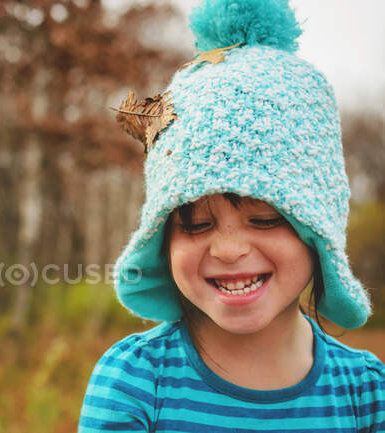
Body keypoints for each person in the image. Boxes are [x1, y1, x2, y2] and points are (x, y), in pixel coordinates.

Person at [78, 0, 385, 431]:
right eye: (196, 224)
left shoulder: (366, 394)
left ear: (317, 230)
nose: (228, 249)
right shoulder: (134, 381)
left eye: (264, 219)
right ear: (163, 238)